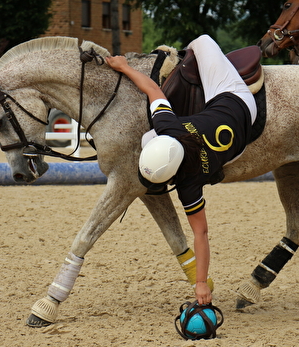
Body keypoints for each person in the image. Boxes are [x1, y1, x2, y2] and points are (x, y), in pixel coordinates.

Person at [106, 35, 257, 306]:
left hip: (241, 100)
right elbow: (154, 90)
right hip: (228, 105)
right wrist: (125, 67)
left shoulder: (189, 183)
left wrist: (201, 282)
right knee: (201, 41)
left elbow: (201, 234)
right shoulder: (170, 128)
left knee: (201, 41)